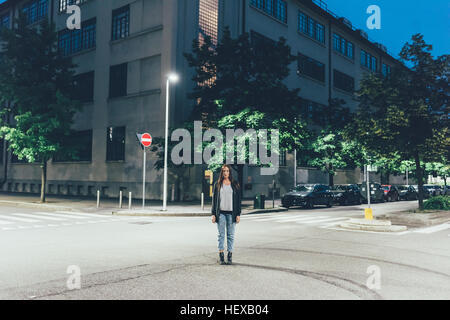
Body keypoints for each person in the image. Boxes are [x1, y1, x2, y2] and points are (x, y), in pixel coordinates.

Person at [211, 164, 241, 265]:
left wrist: (238, 214)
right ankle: (221, 255)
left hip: (232, 213)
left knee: (230, 235)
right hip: (221, 214)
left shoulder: (235, 184)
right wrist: (213, 214)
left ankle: (230, 255)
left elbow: (238, 201)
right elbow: (214, 200)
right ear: (222, 173)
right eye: (224, 171)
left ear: (230, 172)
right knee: (221, 235)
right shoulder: (218, 184)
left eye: (227, 171)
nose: (226, 173)